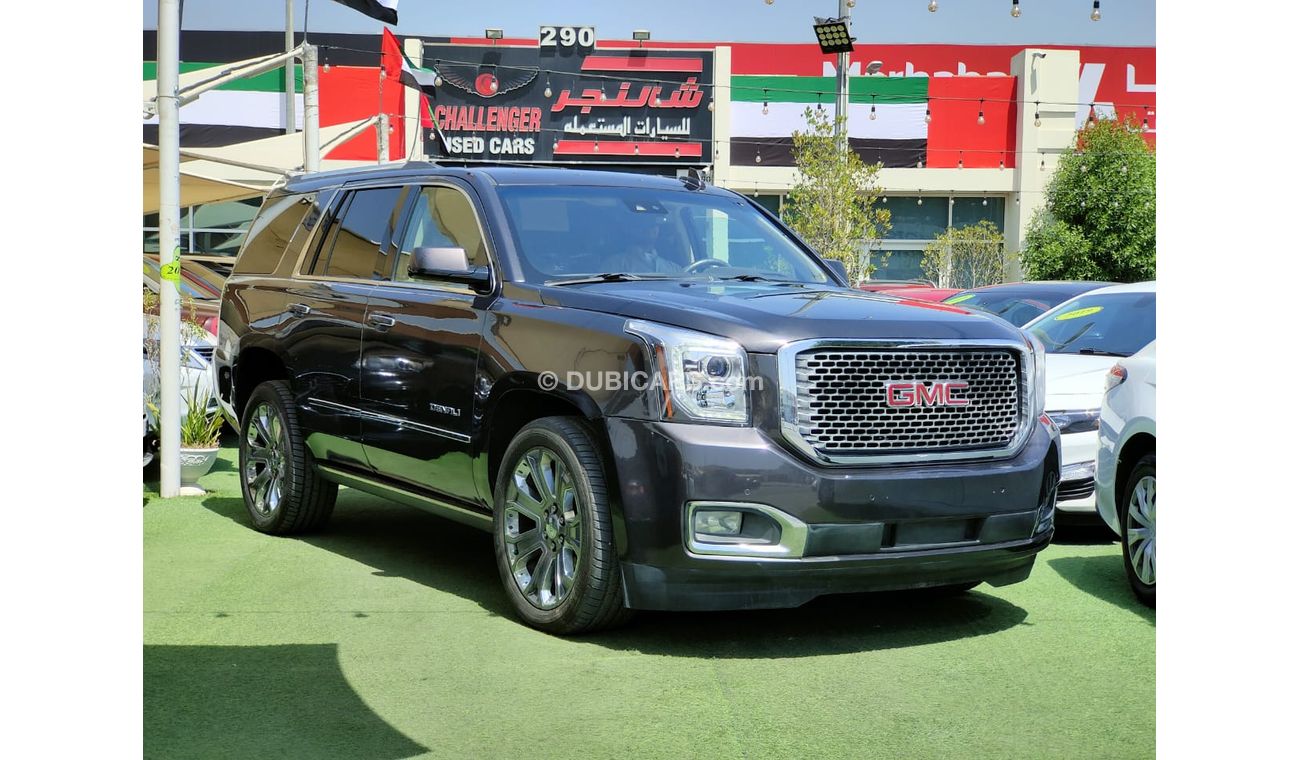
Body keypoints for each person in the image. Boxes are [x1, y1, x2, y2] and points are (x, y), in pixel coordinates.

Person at [610, 215, 683, 274]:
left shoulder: (673, 268)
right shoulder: (615, 264)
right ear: (631, 229)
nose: (651, 228)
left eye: (654, 224)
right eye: (644, 224)